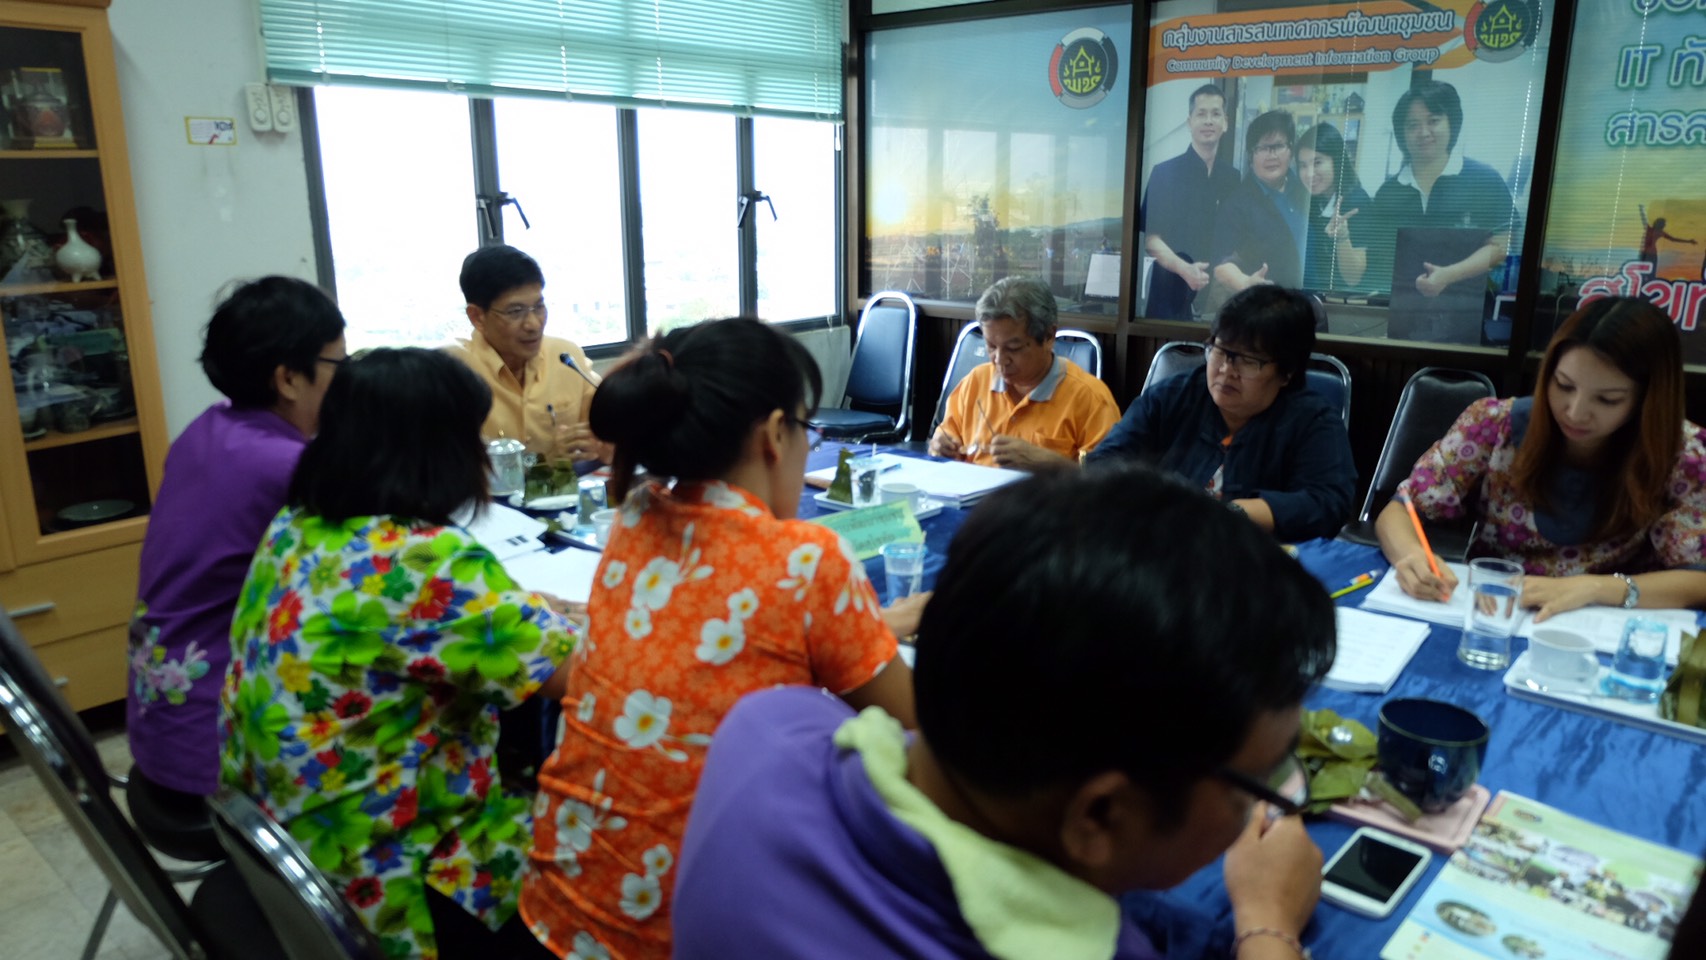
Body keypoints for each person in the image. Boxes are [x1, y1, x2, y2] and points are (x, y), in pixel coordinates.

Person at [671, 465, 1334, 960]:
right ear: (1101, 816)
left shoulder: (764, 730)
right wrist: (1267, 924)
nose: (1264, 804)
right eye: (1255, 786)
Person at [520, 318, 920, 960]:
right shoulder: (807, 558)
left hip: (557, 905)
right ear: (775, 434)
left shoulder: (635, 514)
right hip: (679, 933)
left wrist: (876, 626)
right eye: (809, 430)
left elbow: (727, 641)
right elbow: (914, 720)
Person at [220, 348, 576, 960]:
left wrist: (532, 609)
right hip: (396, 881)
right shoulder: (424, 559)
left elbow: (424, 622)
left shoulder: (298, 526)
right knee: (615, 858)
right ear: (440, 450)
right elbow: (580, 677)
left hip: (290, 853)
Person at [128, 276, 346, 807]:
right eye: (339, 366)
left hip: (161, 725)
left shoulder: (207, 430)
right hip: (219, 749)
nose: (347, 382)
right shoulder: (286, 465)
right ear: (288, 378)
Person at [1377, 297, 1706, 619]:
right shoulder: (1493, 425)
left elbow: (1699, 578)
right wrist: (1411, 557)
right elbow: (1401, 510)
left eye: (1607, 399)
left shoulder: (1684, 455)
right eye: (1563, 385)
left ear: (1648, 400)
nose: (1575, 412)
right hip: (1495, 612)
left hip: (1609, 624)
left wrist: (1595, 588)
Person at [1086, 286, 1355, 542]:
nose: (1227, 370)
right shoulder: (1174, 395)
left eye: (1249, 360)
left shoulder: (1313, 420)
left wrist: (1231, 513)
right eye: (1220, 351)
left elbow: (1328, 503)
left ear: (1286, 373)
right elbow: (1104, 462)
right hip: (1161, 548)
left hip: (1260, 557)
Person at [928, 276, 1119, 469]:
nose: (1000, 360)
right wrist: (941, 445)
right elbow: (945, 434)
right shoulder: (975, 382)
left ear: (1049, 336)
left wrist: (1051, 464)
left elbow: (1109, 479)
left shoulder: (1090, 399)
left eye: (1013, 348)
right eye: (991, 346)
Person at [444, 244, 607, 462]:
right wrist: (548, 461)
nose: (533, 324)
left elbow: (608, 432)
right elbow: (445, 468)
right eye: (515, 311)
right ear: (477, 317)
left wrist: (599, 445)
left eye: (539, 307)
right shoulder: (451, 373)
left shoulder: (566, 357)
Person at [1367, 80, 1516, 304]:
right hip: (1401, 310)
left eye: (1433, 121)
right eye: (1412, 125)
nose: (1423, 132)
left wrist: (1449, 275)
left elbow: (1501, 245)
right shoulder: (1388, 193)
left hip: (1467, 310)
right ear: (1401, 133)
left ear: (1452, 123)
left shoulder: (1484, 179)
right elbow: (1380, 258)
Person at [1141, 83, 1240, 320]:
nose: (1208, 121)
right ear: (1189, 122)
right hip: (1169, 291)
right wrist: (1185, 269)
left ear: (1225, 122)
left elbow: (1235, 237)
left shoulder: (1232, 178)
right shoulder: (1164, 173)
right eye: (1201, 114)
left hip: (1216, 297)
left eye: (1215, 114)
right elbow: (1151, 240)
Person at [1204, 110, 1310, 314]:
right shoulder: (1236, 205)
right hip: (1261, 312)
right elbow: (1221, 265)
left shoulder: (1305, 191)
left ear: (1291, 150)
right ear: (1251, 156)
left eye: (1278, 146)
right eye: (1262, 148)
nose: (1271, 155)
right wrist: (1245, 283)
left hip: (1305, 306)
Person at [1297, 123, 1373, 292]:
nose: (1309, 173)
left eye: (1317, 162)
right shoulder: (1311, 200)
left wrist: (1342, 237)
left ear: (1337, 161)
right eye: (1303, 165)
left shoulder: (1356, 202)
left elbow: (1353, 278)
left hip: (1341, 301)